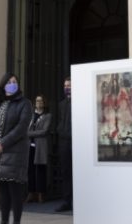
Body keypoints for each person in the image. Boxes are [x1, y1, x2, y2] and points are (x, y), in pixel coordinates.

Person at [0, 73, 32, 224]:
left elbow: (21, 127)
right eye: (9, 82)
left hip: (15, 152)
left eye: (15, 82)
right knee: (3, 193)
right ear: (3, 84)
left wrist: (2, 143)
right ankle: (4, 222)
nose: (13, 84)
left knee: (15, 192)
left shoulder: (25, 103)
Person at [25, 94, 52, 203]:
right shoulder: (30, 115)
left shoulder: (48, 116)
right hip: (29, 146)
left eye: (41, 101)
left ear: (44, 103)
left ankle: (41, 194)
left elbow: (44, 131)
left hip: (40, 146)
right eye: (37, 101)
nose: (38, 103)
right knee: (30, 170)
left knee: (41, 170)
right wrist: (30, 133)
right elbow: (25, 129)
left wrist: (30, 134)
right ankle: (31, 193)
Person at [55, 77, 73, 212]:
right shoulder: (61, 104)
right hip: (63, 141)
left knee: (77, 172)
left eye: (69, 85)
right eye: (65, 85)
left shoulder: (79, 102)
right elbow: (59, 121)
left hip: (75, 141)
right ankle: (66, 201)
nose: (67, 87)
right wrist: (60, 131)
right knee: (65, 172)